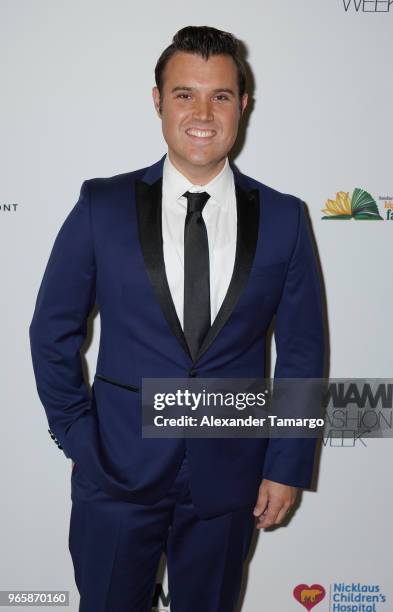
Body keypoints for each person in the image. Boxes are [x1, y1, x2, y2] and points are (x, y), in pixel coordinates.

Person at [29, 25, 325, 612]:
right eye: (185, 93)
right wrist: (78, 437)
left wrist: (287, 462)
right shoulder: (101, 205)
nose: (202, 112)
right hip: (115, 472)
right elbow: (51, 330)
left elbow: (302, 352)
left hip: (229, 477)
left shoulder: (286, 219)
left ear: (243, 105)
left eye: (220, 95)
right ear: (158, 100)